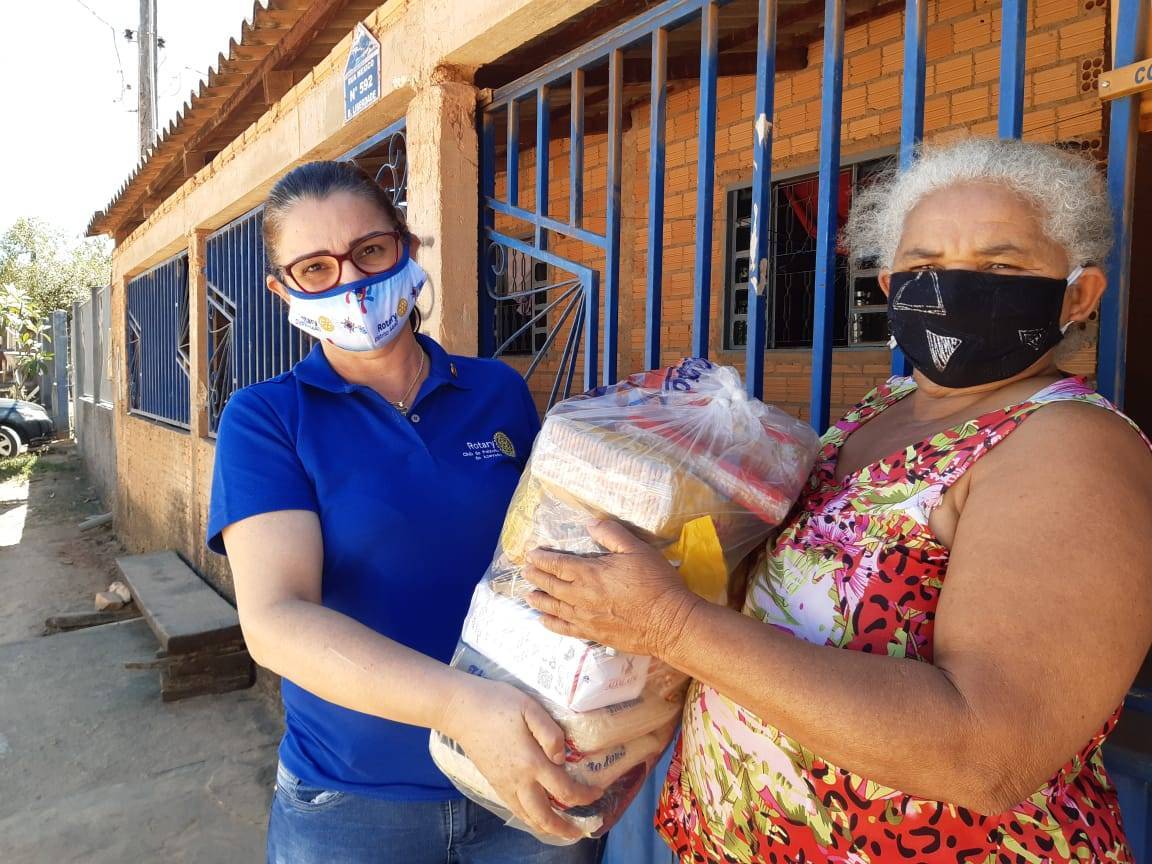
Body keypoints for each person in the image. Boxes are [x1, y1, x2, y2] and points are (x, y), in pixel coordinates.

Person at [522, 138, 1152, 862]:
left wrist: (668, 624)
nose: (951, 287)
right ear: (889, 286)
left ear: (1078, 293)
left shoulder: (1071, 446)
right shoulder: (884, 408)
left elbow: (987, 754)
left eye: (999, 267)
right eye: (924, 266)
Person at [207, 161, 601, 863]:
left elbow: (546, 555)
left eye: (370, 252)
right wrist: (457, 705)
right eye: (316, 269)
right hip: (353, 807)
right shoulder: (268, 418)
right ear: (282, 291)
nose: (351, 283)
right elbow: (275, 620)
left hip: (527, 780)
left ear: (407, 248)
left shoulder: (498, 392)